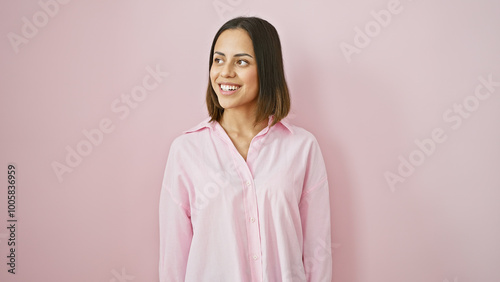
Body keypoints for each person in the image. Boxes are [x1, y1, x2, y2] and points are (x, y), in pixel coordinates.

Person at [159, 16, 332, 282]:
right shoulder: (186, 151)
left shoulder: (302, 148)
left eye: (241, 61)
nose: (225, 72)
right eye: (218, 60)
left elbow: (316, 251)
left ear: (266, 69)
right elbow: (174, 257)